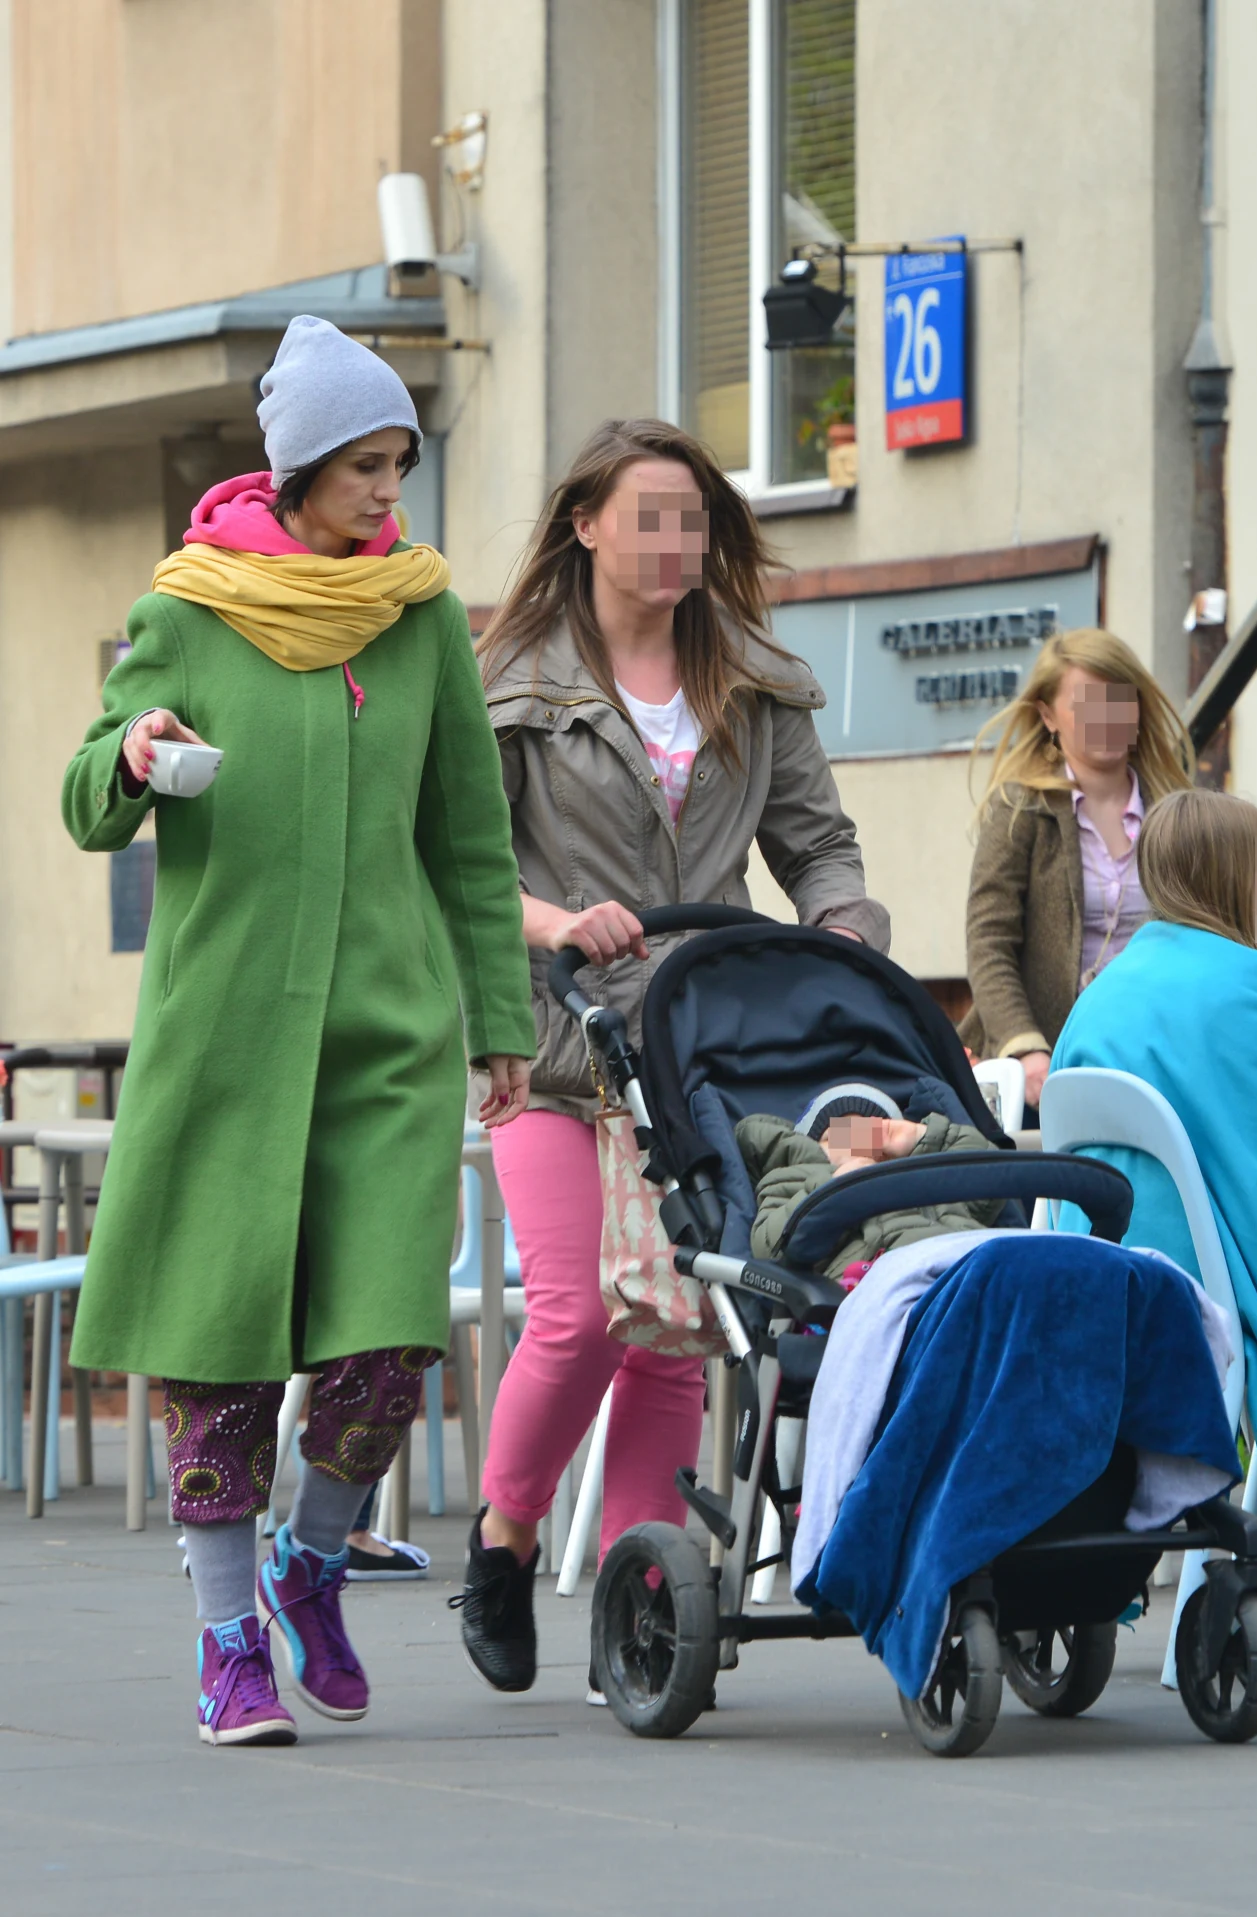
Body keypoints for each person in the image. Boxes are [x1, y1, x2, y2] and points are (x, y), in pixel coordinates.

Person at [62, 315, 535, 1747]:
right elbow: (89, 797)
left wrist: (498, 1015)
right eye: (368, 470)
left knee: (388, 1341)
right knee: (217, 1354)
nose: (394, 495)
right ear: (301, 469)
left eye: (403, 464)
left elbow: (471, 831)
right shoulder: (189, 609)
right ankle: (227, 1647)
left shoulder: (422, 610)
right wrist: (135, 755)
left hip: (387, 1033)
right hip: (224, 1035)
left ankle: (313, 1558)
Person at [452, 416, 890, 1695]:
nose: (673, 541)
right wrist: (554, 921)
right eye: (647, 515)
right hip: (549, 1041)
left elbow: (818, 846)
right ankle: (504, 1537)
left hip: (697, 1046)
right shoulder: (512, 680)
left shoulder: (754, 678)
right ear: (584, 525)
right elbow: (463, 867)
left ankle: (639, 1603)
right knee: (580, 1312)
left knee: (673, 1329)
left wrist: (841, 928)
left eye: (691, 517)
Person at [1051, 787, 1257, 1495]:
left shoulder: (1096, 998)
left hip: (1098, 1300)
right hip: (1211, 1300)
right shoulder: (1256, 991)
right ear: (1233, 874)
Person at [961, 629, 1194, 1112]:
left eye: (1118, 699)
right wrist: (1027, 1051)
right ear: (1048, 716)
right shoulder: (1018, 808)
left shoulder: (1180, 811)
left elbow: (1227, 932)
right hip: (1044, 1071)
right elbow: (988, 943)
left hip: (1153, 1063)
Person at [735, 1082, 1002, 1278]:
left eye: (874, 1137)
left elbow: (990, 1176)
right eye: (844, 1134)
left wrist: (918, 1136)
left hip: (965, 1263)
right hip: (877, 1281)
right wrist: (833, 1189)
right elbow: (768, 1248)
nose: (862, 1143)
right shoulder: (792, 1178)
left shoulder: (925, 1182)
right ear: (812, 1144)